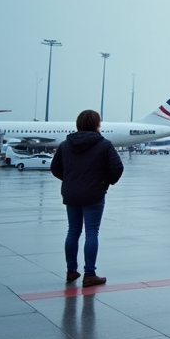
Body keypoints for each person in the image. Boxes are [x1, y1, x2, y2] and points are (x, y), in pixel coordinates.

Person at [50, 109, 124, 287]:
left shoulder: (65, 145)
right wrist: (105, 182)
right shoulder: (104, 144)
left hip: (71, 193)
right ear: (97, 125)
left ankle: (71, 270)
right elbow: (117, 168)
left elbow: (55, 168)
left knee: (73, 231)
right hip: (94, 194)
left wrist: (69, 181)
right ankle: (89, 274)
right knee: (92, 232)